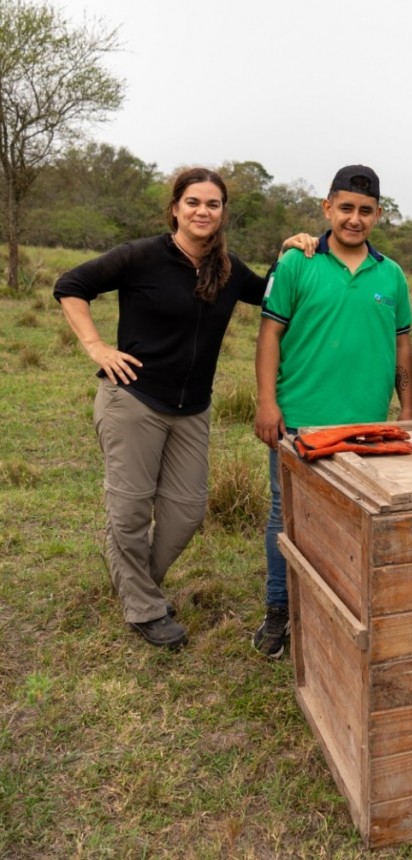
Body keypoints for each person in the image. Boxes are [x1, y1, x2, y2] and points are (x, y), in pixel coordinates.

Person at [54, 167, 302, 649]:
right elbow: (70, 285)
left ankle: (133, 581)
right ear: (175, 208)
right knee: (129, 510)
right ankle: (145, 607)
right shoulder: (141, 256)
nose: (202, 211)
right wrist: (98, 348)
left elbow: (275, 292)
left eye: (212, 204)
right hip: (133, 399)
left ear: (223, 212)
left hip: (193, 410)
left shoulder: (229, 270)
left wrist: (293, 253)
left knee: (186, 511)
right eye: (193, 202)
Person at [253, 164, 412, 658]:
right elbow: (269, 336)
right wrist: (266, 401)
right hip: (300, 419)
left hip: (368, 426)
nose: (354, 219)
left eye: (365, 211)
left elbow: (403, 346)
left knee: (354, 522)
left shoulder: (391, 274)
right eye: (345, 208)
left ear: (378, 215)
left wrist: (406, 409)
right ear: (327, 208)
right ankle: (279, 610)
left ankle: (342, 614)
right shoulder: (297, 263)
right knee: (288, 516)